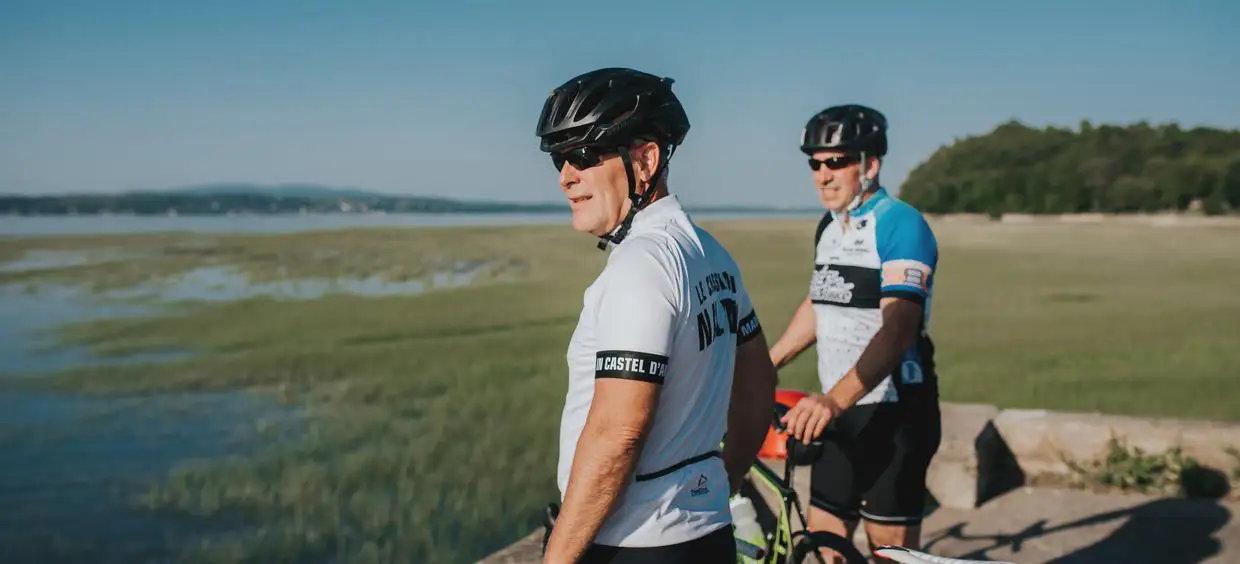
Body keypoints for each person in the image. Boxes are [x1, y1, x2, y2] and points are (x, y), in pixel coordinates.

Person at [534, 67, 778, 564]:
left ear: (644, 158)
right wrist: (719, 484)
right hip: (705, 536)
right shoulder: (712, 256)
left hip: (631, 542)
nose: (565, 176)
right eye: (560, 158)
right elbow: (759, 386)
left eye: (582, 154)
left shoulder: (639, 266)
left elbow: (618, 435)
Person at [768, 104, 943, 563]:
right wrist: (767, 363)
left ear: (870, 163)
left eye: (837, 161)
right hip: (840, 409)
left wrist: (832, 400)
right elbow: (820, 303)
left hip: (893, 414)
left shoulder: (901, 224)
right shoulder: (829, 227)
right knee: (828, 547)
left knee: (891, 554)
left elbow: (900, 327)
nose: (823, 175)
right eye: (815, 163)